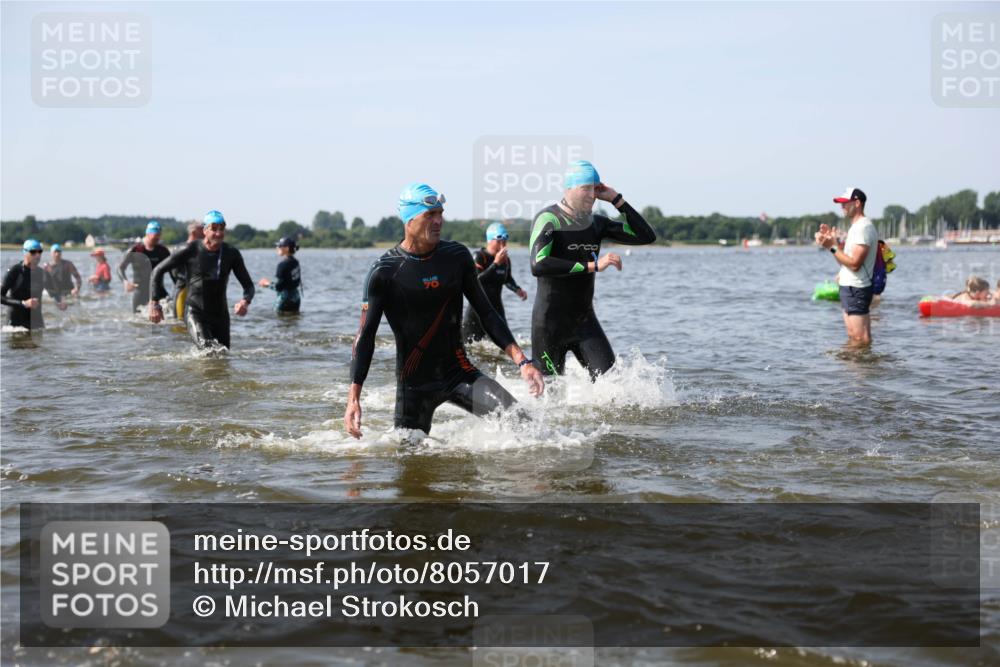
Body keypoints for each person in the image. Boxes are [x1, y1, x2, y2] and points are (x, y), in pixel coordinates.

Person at [344, 183, 544, 438]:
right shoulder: (384, 271)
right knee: (410, 458)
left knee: (524, 425)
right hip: (414, 388)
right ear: (409, 220)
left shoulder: (456, 257)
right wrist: (353, 398)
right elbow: (365, 336)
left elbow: (486, 312)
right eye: (430, 215)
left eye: (440, 214)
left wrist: (523, 362)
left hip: (460, 373)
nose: (438, 221)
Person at [528, 160, 656, 378]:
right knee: (550, 394)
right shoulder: (549, 218)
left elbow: (646, 236)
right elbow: (538, 264)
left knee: (613, 383)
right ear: (568, 188)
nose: (592, 195)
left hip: (585, 322)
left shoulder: (597, 223)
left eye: (595, 189)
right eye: (585, 188)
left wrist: (616, 199)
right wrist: (593, 265)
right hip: (549, 325)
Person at [148, 210, 255, 350]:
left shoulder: (231, 253)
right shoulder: (191, 249)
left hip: (221, 317)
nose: (218, 233)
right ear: (205, 230)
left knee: (222, 356)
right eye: (214, 229)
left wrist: (245, 302)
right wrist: (154, 304)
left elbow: (248, 286)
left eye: (222, 229)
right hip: (195, 312)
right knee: (208, 350)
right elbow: (157, 271)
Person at [815, 187, 877, 346]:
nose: (842, 206)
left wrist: (831, 247)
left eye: (845, 202)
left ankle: (864, 363)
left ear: (857, 203)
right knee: (854, 337)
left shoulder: (863, 227)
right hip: (849, 288)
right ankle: (856, 363)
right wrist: (833, 244)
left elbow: (855, 264)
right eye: (840, 203)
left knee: (860, 339)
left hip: (857, 288)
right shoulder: (856, 227)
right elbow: (846, 262)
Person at [462, 222, 528, 344]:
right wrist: (495, 264)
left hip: (496, 308)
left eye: (505, 241)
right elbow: (476, 281)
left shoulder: (506, 260)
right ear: (490, 241)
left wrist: (517, 290)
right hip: (477, 311)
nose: (503, 245)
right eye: (499, 241)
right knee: (470, 346)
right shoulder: (479, 256)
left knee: (506, 344)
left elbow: (507, 279)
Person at [1, 239, 66, 330]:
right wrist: (23, 303)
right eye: (33, 252)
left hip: (37, 324)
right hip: (15, 325)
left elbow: (54, 293)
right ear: (25, 252)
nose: (37, 255)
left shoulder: (42, 273)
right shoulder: (14, 271)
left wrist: (60, 302)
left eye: (39, 252)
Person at [118, 220, 171, 313]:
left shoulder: (163, 251)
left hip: (158, 291)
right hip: (140, 292)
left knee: (166, 315)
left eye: (159, 236)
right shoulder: (135, 250)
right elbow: (120, 268)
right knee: (137, 318)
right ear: (148, 234)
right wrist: (125, 281)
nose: (157, 239)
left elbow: (173, 269)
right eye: (155, 236)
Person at [171, 222, 205, 320]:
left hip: (198, 291)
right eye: (202, 230)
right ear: (193, 232)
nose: (205, 232)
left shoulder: (203, 248)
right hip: (182, 289)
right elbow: (173, 271)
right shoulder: (179, 248)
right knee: (179, 322)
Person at [258, 237, 302, 314]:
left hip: (285, 299)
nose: (277, 248)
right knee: (294, 319)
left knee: (278, 319)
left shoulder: (282, 265)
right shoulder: (296, 262)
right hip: (296, 297)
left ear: (287, 248)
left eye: (279, 246)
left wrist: (266, 284)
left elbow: (279, 287)